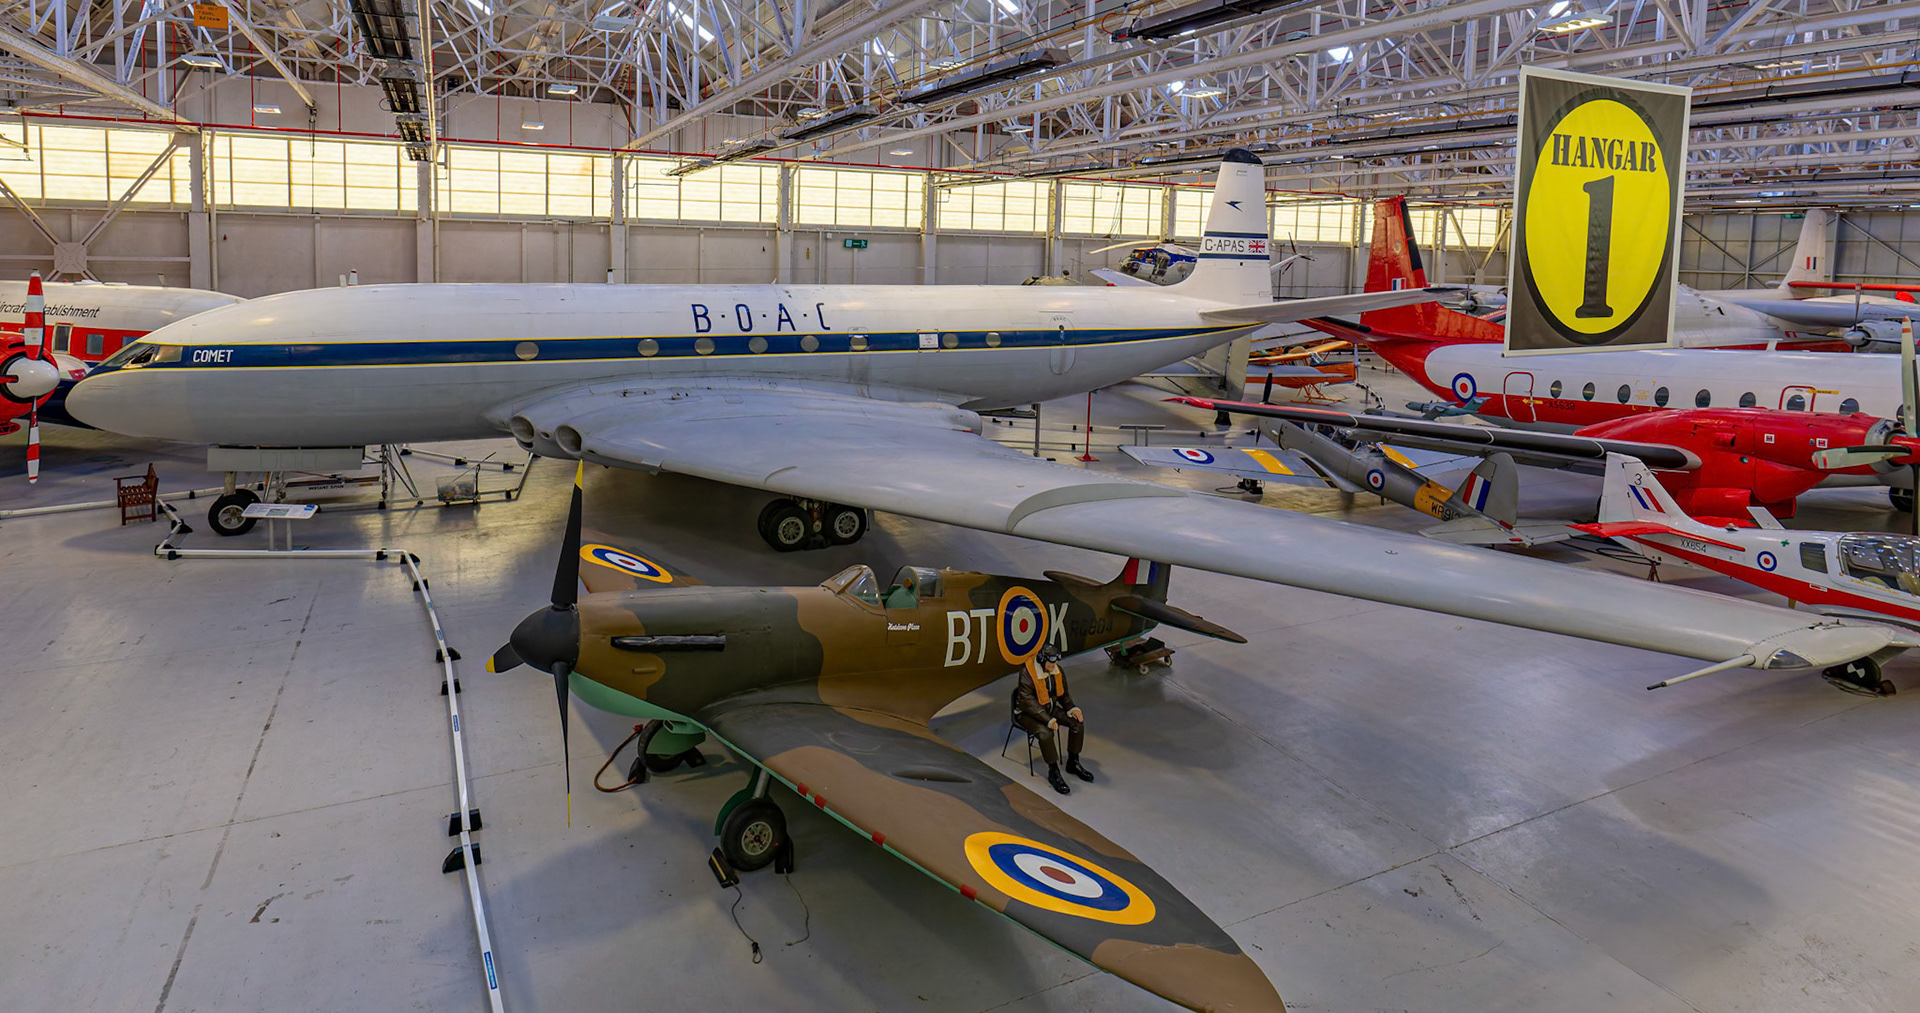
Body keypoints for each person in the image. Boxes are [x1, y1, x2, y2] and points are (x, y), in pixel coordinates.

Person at [1012, 646, 1094, 794]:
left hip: (1049, 709)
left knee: (1077, 724)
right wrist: (1048, 719)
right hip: (1027, 714)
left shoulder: (1056, 670)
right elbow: (1027, 701)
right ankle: (1053, 771)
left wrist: (1072, 709)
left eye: (1055, 664)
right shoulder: (1027, 673)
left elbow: (1064, 695)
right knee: (1045, 733)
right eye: (1050, 664)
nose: (1053, 667)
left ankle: (1073, 762)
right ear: (1042, 661)